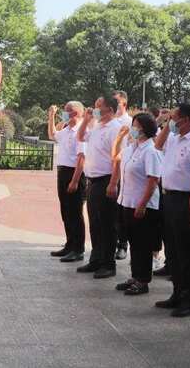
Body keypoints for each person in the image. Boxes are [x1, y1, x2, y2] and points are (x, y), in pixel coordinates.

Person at [153, 103, 190, 317]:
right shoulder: (175, 137)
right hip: (169, 197)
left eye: (174, 118)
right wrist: (167, 125)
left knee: (187, 251)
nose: (170, 121)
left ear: (185, 120)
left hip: (187, 199)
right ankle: (177, 293)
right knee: (174, 250)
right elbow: (158, 145)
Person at [108, 113, 163, 295]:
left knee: (143, 244)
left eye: (137, 125)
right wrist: (120, 137)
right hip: (127, 201)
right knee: (133, 241)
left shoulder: (151, 151)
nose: (134, 128)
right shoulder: (133, 148)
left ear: (146, 129)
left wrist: (142, 203)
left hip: (142, 205)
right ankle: (135, 275)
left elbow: (153, 179)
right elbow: (115, 157)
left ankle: (143, 280)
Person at [76, 95, 124, 279]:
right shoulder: (96, 125)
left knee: (107, 225)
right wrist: (86, 119)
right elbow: (80, 136)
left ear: (110, 109)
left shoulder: (116, 128)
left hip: (106, 180)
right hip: (93, 181)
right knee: (95, 223)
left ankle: (108, 264)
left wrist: (113, 182)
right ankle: (96, 259)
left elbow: (117, 158)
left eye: (98, 106)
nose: (94, 109)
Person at [47, 101, 87, 262]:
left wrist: (75, 181)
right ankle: (69, 244)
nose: (64, 113)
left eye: (67, 111)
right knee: (66, 211)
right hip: (62, 172)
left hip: (74, 174)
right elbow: (52, 135)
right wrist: (51, 117)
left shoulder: (82, 132)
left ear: (76, 113)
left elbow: (81, 159)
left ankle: (78, 249)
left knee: (75, 213)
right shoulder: (66, 130)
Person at [112, 90, 132, 261]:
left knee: (121, 212)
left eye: (117, 102)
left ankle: (122, 244)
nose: (115, 105)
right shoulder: (107, 121)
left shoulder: (130, 122)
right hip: (107, 169)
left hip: (122, 171)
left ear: (124, 103)